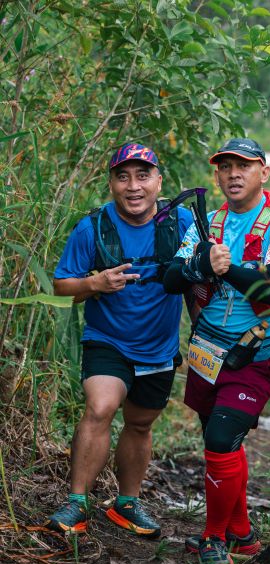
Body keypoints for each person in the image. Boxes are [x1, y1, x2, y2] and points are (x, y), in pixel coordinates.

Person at [163, 138, 270, 564]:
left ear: (264, 172)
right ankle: (242, 535)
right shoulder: (209, 222)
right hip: (208, 348)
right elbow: (172, 278)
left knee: (221, 436)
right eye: (225, 167)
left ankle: (213, 538)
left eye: (243, 166)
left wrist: (224, 268)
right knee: (220, 439)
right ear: (217, 176)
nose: (233, 174)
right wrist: (200, 266)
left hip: (257, 351)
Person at [45, 142, 193, 537]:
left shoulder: (181, 224)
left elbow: (201, 277)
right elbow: (61, 287)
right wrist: (94, 283)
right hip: (107, 340)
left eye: (143, 176)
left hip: (159, 348)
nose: (133, 186)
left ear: (158, 181)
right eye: (123, 177)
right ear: (111, 183)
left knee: (140, 425)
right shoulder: (92, 227)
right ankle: (77, 503)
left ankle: (126, 503)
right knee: (100, 407)